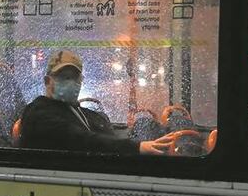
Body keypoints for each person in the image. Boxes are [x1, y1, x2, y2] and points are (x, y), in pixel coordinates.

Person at [18, 50, 174, 154]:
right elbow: (84, 141)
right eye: (63, 77)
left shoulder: (77, 111)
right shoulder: (39, 114)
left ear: (81, 81)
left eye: (74, 78)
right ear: (47, 81)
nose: (70, 82)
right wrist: (137, 147)